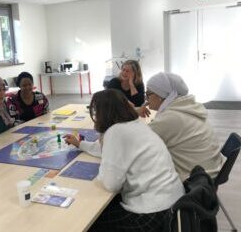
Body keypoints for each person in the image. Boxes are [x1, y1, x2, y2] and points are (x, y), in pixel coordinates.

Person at [64, 89, 184, 231]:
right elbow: (107, 151)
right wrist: (80, 144)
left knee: (87, 221)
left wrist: (104, 168)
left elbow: (111, 184)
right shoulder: (135, 125)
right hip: (173, 204)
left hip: (152, 212)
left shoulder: (115, 132)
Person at [144, 72, 225, 181]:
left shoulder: (170, 118)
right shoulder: (189, 107)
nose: (146, 98)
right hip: (209, 174)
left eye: (148, 93)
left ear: (160, 95)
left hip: (193, 183)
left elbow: (137, 142)